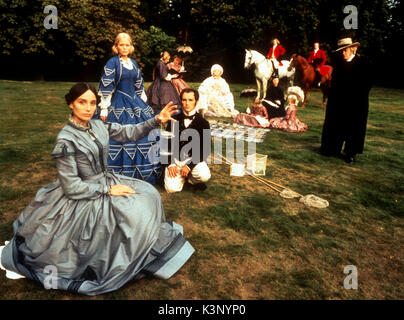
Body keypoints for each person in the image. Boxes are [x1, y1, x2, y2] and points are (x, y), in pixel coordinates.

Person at [0, 83, 194, 296]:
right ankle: (122, 253)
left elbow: (128, 132)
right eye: (82, 102)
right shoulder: (65, 139)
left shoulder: (98, 125)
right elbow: (72, 186)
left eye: (93, 102)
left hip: (107, 178)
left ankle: (145, 246)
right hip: (83, 193)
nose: (88, 107)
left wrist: (156, 120)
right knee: (128, 209)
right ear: (71, 104)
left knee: (149, 194)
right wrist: (107, 190)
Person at [93, 32, 161, 184]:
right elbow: (107, 83)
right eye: (121, 45)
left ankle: (144, 173)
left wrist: (143, 102)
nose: (124, 47)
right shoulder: (112, 63)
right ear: (116, 47)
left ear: (131, 47)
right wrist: (104, 107)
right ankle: (115, 173)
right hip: (118, 101)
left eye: (127, 45)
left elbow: (139, 84)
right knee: (117, 133)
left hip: (135, 101)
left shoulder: (134, 63)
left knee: (145, 129)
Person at [320, 38, 372, 164]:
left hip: (356, 103)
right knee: (335, 124)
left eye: (345, 50)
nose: (343, 53)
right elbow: (335, 83)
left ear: (352, 49)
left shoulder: (362, 63)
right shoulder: (339, 64)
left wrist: (357, 97)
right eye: (341, 51)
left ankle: (350, 153)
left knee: (353, 128)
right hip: (339, 102)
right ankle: (332, 149)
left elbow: (367, 84)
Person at [164, 88, 211, 193]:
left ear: (196, 102)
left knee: (204, 175)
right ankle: (182, 180)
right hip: (176, 160)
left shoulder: (203, 123)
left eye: (190, 100)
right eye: (184, 100)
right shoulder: (173, 119)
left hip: (192, 159)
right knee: (171, 189)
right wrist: (171, 163)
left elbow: (205, 149)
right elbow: (166, 143)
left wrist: (189, 166)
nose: (187, 103)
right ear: (181, 101)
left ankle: (190, 179)